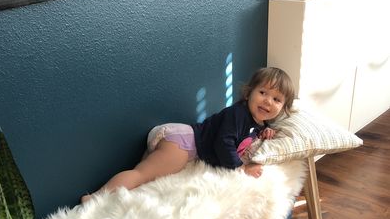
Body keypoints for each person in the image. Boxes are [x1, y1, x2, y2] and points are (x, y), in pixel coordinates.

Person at [82, 67, 295, 202]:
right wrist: (241, 169)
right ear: (249, 93)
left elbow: (249, 133)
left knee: (145, 178)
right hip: (184, 142)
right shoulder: (237, 114)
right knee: (140, 175)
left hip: (180, 138)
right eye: (263, 93)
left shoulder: (255, 121)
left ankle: (113, 199)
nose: (267, 101)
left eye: (276, 100)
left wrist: (263, 131)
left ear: (284, 108)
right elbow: (224, 143)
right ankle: (94, 198)